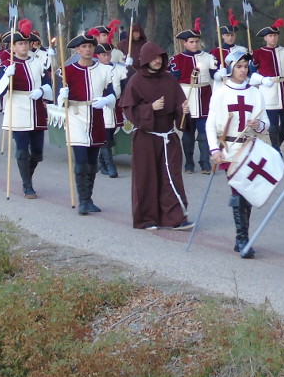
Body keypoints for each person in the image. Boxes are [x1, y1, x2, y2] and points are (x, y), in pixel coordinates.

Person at [119, 40, 193, 230]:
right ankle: (146, 218)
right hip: (146, 138)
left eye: (160, 57)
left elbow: (179, 110)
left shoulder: (169, 80)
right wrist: (149, 108)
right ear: (145, 60)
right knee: (147, 179)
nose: (158, 61)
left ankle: (175, 217)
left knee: (171, 177)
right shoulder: (136, 81)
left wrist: (183, 110)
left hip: (168, 138)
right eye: (154, 58)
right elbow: (129, 110)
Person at [207, 49, 269, 258]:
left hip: (249, 147)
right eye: (239, 66)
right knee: (238, 192)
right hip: (230, 149)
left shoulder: (255, 92)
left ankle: (242, 238)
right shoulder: (221, 92)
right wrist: (214, 149)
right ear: (231, 67)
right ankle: (242, 238)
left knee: (246, 192)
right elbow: (209, 124)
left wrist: (258, 123)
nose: (243, 70)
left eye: (246, 66)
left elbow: (265, 123)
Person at [59, 29, 116, 215]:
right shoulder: (67, 71)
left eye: (90, 46)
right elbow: (60, 102)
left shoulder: (105, 70)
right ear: (77, 50)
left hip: (96, 116)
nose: (88, 50)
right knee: (82, 160)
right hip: (76, 115)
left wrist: (107, 100)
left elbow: (113, 94)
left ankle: (89, 198)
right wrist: (63, 95)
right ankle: (82, 200)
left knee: (92, 162)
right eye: (84, 47)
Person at [0, 21, 52, 198]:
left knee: (37, 152)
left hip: (36, 107)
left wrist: (42, 90)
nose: (24, 46)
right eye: (20, 43)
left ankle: (27, 176)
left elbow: (48, 84)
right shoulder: (7, 65)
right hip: (17, 106)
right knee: (22, 147)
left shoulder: (38, 62)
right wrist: (7, 75)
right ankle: (27, 185)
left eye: (26, 43)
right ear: (13, 47)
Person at [170, 19, 218, 174]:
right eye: (191, 42)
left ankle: (205, 163)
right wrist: (178, 103)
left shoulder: (208, 57)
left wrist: (221, 73)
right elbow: (172, 81)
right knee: (188, 134)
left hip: (204, 97)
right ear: (185, 43)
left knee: (204, 133)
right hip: (186, 99)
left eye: (197, 41)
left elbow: (215, 75)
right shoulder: (177, 59)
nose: (195, 44)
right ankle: (189, 163)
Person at [250, 19, 284, 153]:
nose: (273, 38)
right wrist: (262, 80)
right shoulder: (257, 53)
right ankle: (277, 150)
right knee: (272, 125)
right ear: (266, 38)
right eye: (270, 36)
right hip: (268, 90)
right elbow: (251, 73)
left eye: (275, 35)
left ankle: (273, 149)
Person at [95, 42, 128, 178]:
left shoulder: (119, 70)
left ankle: (102, 163)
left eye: (108, 54)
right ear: (98, 56)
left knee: (110, 134)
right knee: (105, 136)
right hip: (99, 106)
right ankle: (110, 166)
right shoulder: (94, 69)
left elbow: (124, 88)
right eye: (104, 54)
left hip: (115, 105)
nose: (107, 57)